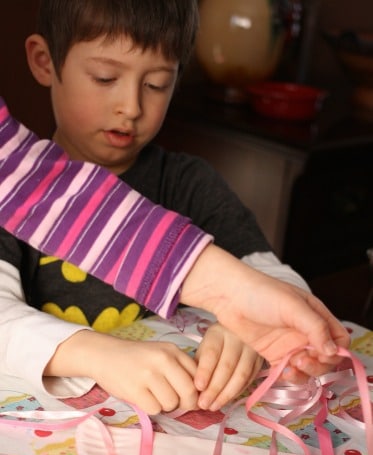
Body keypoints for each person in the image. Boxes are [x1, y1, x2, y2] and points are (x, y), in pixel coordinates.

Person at [0, 0, 349, 415]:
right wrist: (99, 355)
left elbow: (271, 280)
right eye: (105, 77)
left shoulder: (185, 182)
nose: (130, 106)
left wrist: (244, 329)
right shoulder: (14, 196)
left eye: (157, 84)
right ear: (44, 61)